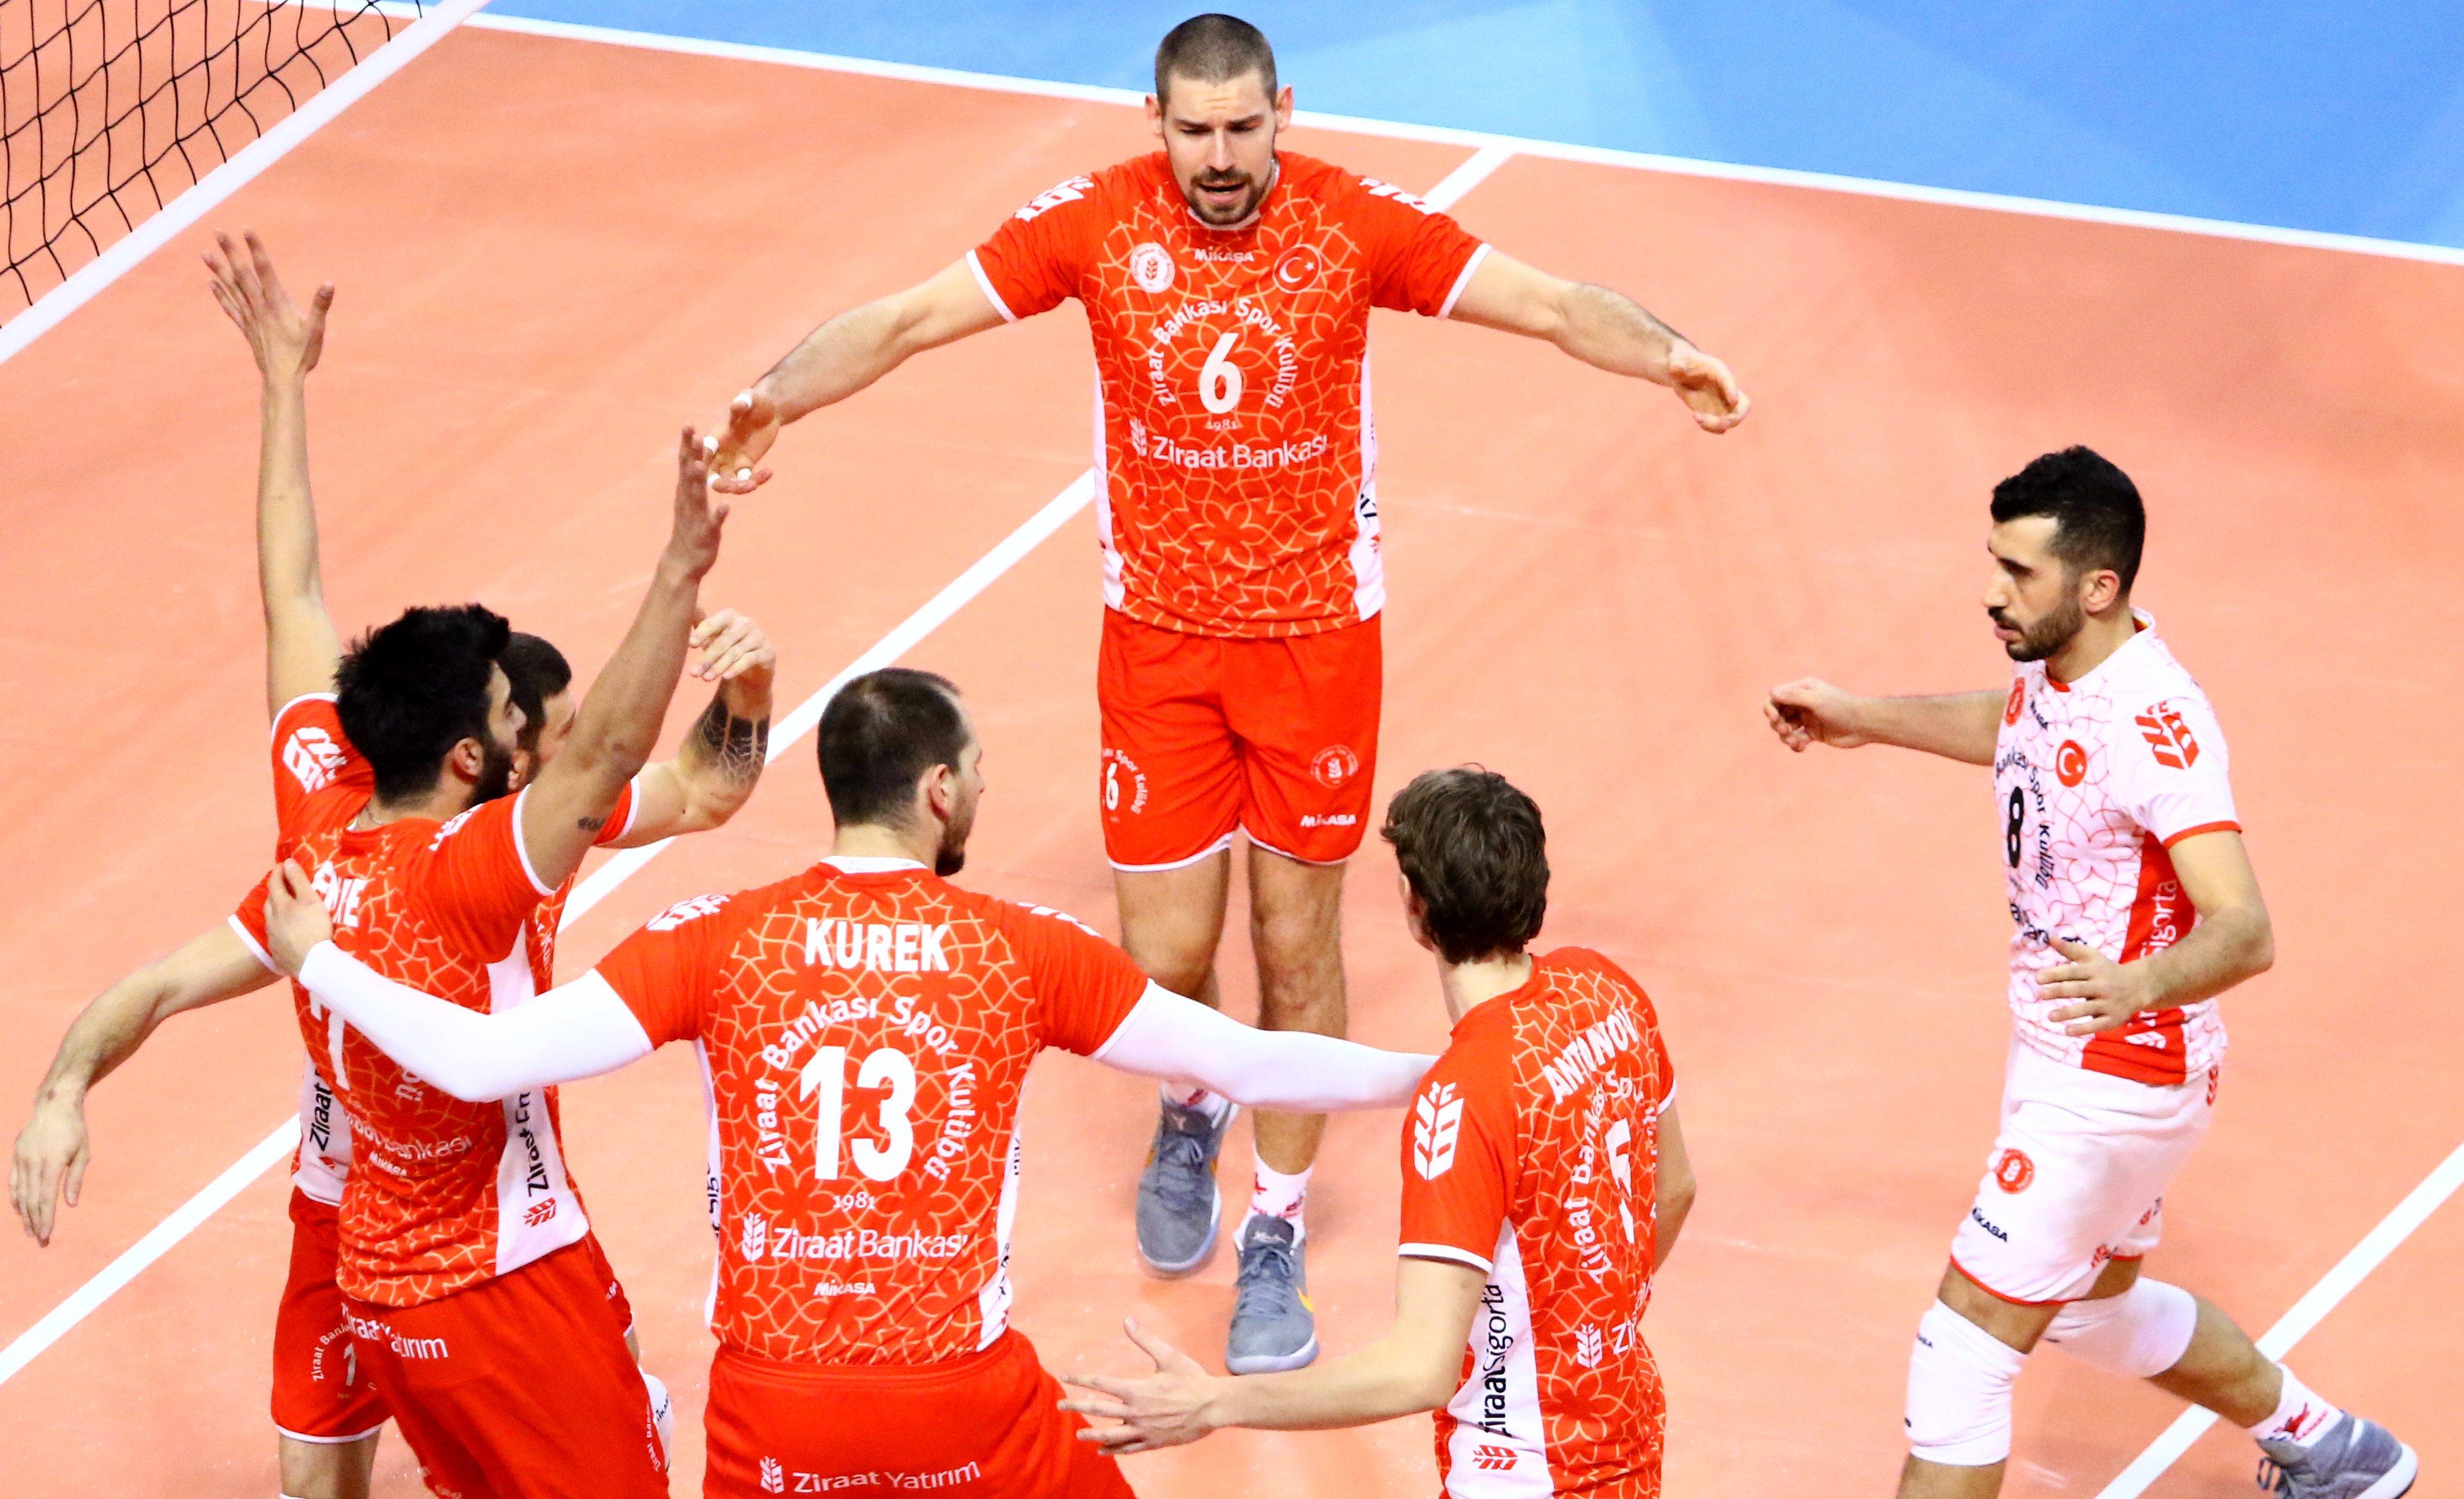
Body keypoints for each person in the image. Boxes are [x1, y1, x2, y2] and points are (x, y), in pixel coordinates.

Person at [700, 11, 1747, 1373]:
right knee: (1167, 956)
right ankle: (1195, 1102)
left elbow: (1548, 303)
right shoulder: (1094, 223)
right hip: (1157, 647)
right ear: (1155, 123)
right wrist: (774, 396)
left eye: (1242, 127)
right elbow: (904, 320)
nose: (1218, 156)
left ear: (1282, 112)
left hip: (1315, 647)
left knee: (1296, 950)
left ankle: (1277, 1223)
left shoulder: (1350, 225)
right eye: (1193, 130)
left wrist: (1668, 354)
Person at [257, 666, 1442, 1499]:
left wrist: (322, 963)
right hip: (961, 1403)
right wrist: (1436, 1071)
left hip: (771, 1417)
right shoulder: (1021, 949)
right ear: (938, 793)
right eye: (976, 771)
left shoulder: (712, 936)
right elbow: (1248, 1061)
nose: (981, 790)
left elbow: (474, 1060)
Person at [9, 234, 761, 1498]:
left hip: (388, 1244)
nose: (540, 734)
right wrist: (684, 572)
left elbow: (293, 592)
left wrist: (282, 384)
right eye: (518, 717)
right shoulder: (486, 861)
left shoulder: (316, 812)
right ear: (477, 755)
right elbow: (624, 758)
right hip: (460, 1244)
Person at [1762, 447, 2414, 1499]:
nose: (1991, 591)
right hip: (2060, 1045)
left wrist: (2139, 984)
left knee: (1964, 1345)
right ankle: (2331, 1445)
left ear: (2098, 585)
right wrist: (1864, 716)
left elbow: (2245, 928)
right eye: (1993, 561)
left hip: (2118, 1067)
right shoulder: (2061, 665)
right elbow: (2021, 727)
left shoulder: (2157, 726)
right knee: (2088, 1310)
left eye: (2018, 571)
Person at [1059, 766, 1694, 1499]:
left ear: (1416, 910)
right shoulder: (1607, 992)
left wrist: (1214, 1403)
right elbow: (1673, 1189)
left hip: (1522, 1472)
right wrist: (1587, 1332)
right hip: (1627, 1435)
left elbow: (1417, 1370)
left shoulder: (1463, 1101)